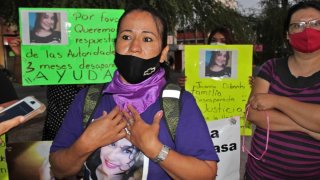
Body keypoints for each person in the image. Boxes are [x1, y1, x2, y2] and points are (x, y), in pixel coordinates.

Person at [49, 5, 219, 180]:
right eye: (126, 36)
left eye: (147, 39)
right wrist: (86, 143)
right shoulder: (88, 98)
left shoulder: (180, 103)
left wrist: (154, 148)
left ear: (163, 53)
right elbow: (58, 168)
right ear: (114, 45)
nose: (134, 47)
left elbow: (206, 174)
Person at [245, 1, 320, 179]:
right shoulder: (271, 67)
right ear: (288, 35)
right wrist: (309, 128)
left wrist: (278, 101)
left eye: (316, 23)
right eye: (298, 26)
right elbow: (253, 114)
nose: (307, 31)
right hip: (258, 174)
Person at [8, 36, 87, 140]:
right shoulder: (54, 60)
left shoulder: (100, 66)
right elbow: (20, 78)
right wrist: (20, 55)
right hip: (56, 129)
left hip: (92, 130)